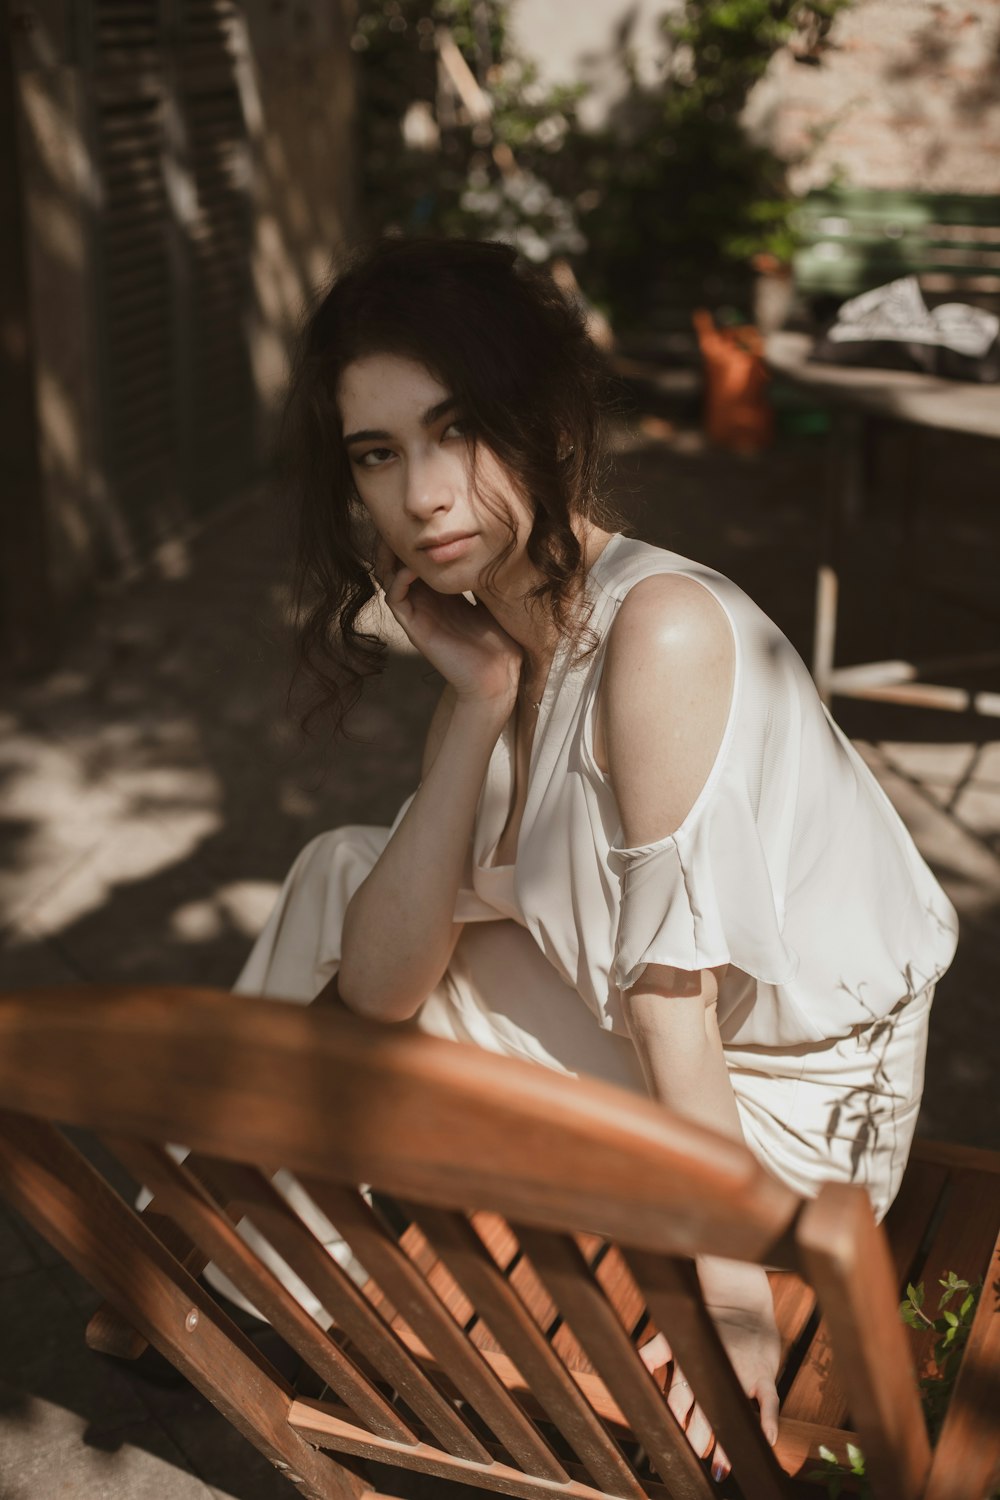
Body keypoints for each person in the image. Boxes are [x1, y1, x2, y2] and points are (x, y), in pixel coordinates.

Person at [230, 236, 959, 1476]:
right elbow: (384, 981)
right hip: (685, 1052)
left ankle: (243, 1266)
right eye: (378, 453)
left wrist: (732, 1321)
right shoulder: (507, 632)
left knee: (350, 914)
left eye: (457, 431)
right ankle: (243, 1257)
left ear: (547, 424)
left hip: (796, 1125)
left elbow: (672, 1009)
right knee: (347, 872)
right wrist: (472, 700)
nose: (423, 496)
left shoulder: (657, 631)